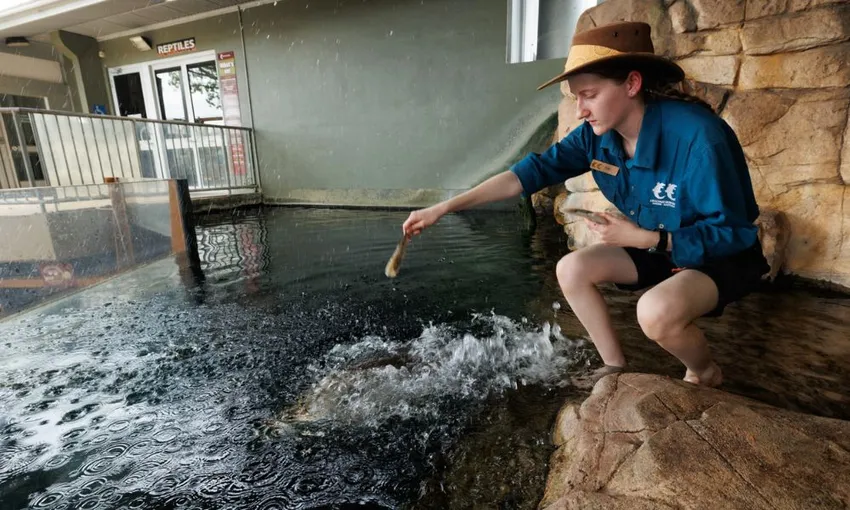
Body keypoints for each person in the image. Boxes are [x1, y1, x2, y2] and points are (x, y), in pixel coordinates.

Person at [401, 21, 769, 387]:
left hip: (720, 256)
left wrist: (650, 240)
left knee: (654, 313)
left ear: (632, 84)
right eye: (576, 97)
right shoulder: (595, 138)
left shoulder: (700, 137)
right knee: (571, 269)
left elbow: (733, 232)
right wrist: (445, 208)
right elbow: (524, 176)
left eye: (589, 95)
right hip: (657, 244)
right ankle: (615, 370)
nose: (579, 110)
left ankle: (705, 373)